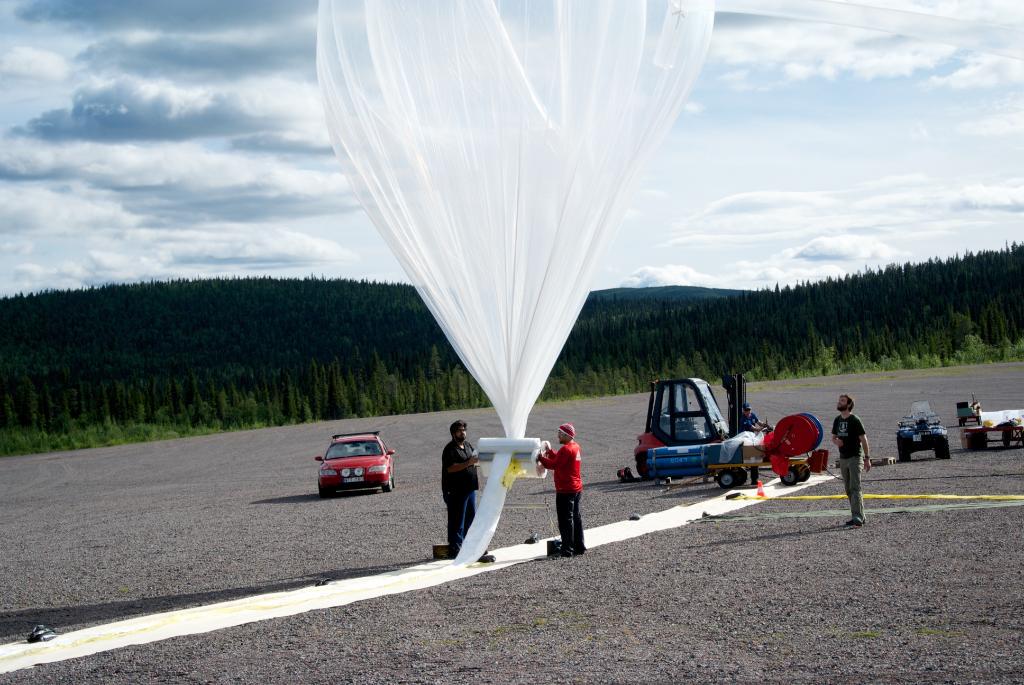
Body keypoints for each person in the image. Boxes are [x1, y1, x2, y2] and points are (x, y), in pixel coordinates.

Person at [537, 422, 585, 558]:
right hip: (576, 488)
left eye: (560, 434)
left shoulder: (566, 449)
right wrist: (550, 452)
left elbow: (554, 464)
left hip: (565, 490)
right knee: (576, 518)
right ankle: (579, 546)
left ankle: (567, 549)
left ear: (566, 435)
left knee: (565, 521)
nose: (558, 436)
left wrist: (539, 457)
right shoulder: (575, 446)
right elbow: (561, 458)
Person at [831, 393, 871, 528]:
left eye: (842, 401)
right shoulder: (837, 420)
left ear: (848, 405)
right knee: (848, 489)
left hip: (855, 457)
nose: (839, 402)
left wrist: (867, 458)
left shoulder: (855, 420)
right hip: (843, 459)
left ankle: (857, 518)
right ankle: (859, 515)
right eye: (839, 400)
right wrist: (837, 442)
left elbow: (864, 439)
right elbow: (833, 437)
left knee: (855, 487)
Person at [441, 419, 479, 558]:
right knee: (457, 520)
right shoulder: (450, 449)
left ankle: (469, 546)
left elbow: (474, 459)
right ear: (453, 433)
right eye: (459, 430)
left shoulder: (468, 446)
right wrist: (468, 462)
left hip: (470, 488)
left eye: (464, 430)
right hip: (456, 490)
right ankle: (455, 549)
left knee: (471, 518)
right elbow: (450, 468)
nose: (462, 432)